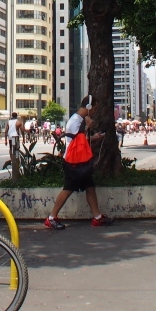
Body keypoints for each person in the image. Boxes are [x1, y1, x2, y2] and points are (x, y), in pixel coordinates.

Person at [44, 95, 113, 230]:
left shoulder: (79, 119)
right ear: (88, 107)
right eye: (95, 108)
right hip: (74, 161)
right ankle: (51, 218)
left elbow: (80, 140)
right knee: (68, 188)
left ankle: (97, 217)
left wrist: (92, 137)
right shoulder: (76, 121)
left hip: (79, 160)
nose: (95, 111)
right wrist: (88, 128)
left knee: (90, 187)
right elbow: (77, 142)